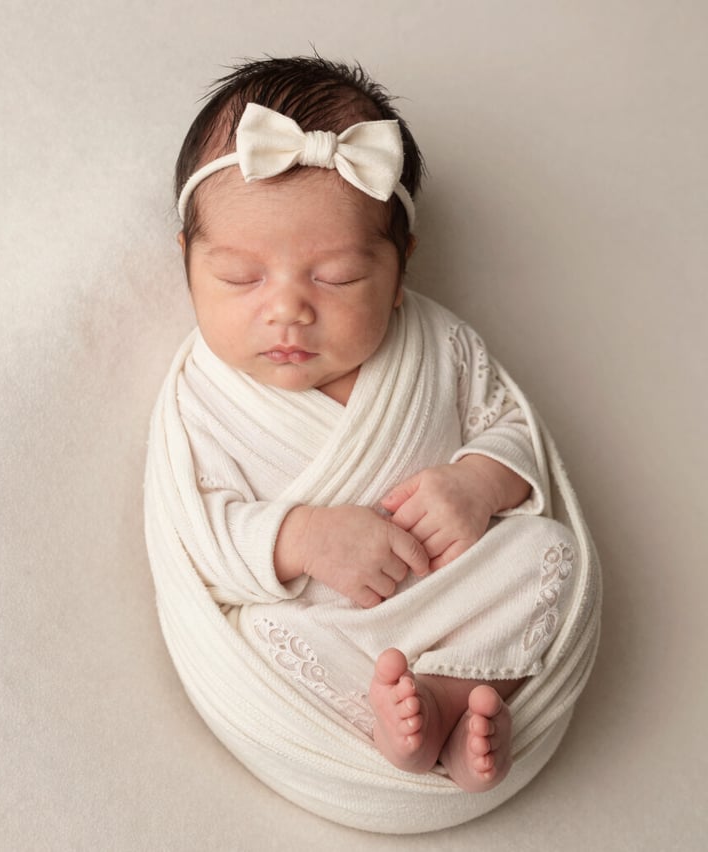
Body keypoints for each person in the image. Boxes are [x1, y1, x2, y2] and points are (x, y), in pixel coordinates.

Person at [168, 55, 578, 794]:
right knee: (261, 633)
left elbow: (509, 427)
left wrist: (478, 483)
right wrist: (301, 538)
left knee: (547, 552)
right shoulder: (204, 395)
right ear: (188, 262)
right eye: (240, 277)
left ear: (399, 274)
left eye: (338, 278)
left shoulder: (439, 345)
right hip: (329, 628)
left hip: (453, 599)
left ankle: (451, 700)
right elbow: (199, 533)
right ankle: (401, 718)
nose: (288, 308)